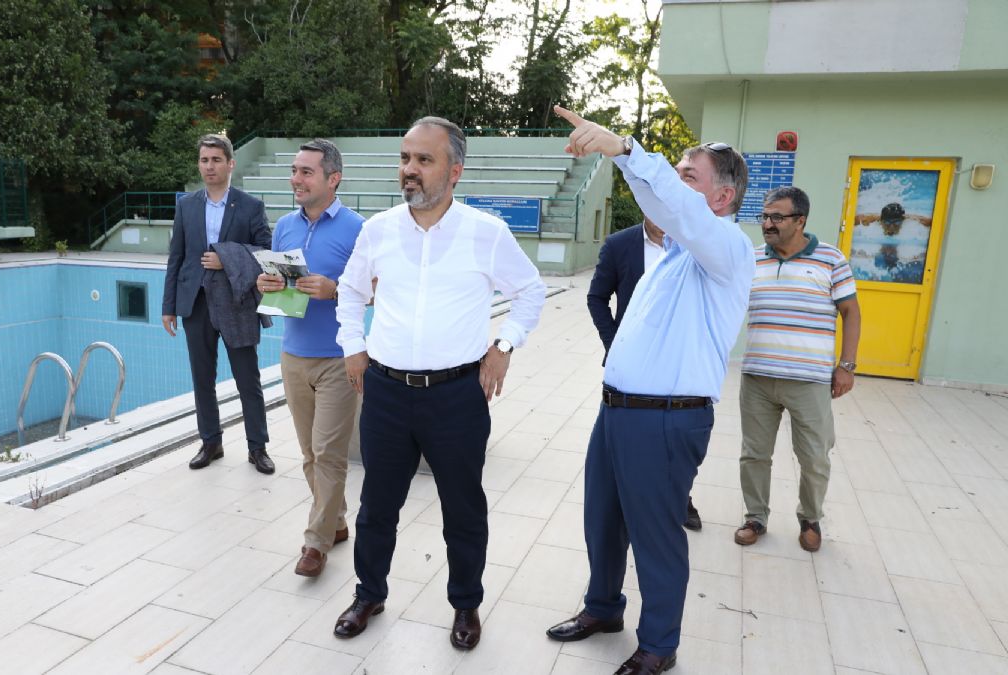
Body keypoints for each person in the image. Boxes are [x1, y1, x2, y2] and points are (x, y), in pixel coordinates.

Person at [545, 105, 754, 675]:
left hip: (664, 419)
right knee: (603, 519)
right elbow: (664, 203)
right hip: (618, 411)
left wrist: (626, 149)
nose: (675, 185)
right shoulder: (673, 255)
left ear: (722, 197)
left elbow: (675, 206)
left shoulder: (727, 249)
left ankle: (659, 645)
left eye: (690, 175)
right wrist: (624, 160)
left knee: (655, 535)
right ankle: (602, 608)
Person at [331, 117, 547, 651]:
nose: (410, 169)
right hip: (385, 392)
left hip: (456, 397)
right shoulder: (379, 229)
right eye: (406, 158)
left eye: (424, 160)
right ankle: (369, 594)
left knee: (463, 509)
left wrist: (504, 346)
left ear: (455, 171)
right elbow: (351, 291)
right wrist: (353, 345)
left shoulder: (486, 233)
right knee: (377, 506)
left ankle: (466, 604)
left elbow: (531, 290)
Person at [256, 139, 364, 577]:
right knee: (308, 454)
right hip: (294, 355)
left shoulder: (358, 229)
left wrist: (335, 289)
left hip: (339, 359)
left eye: (306, 172)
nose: (295, 179)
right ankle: (335, 523)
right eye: (294, 171)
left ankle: (315, 544)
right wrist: (266, 285)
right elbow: (281, 285)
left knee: (328, 454)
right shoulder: (284, 226)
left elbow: (377, 289)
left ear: (333, 179)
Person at [734, 186, 861, 553]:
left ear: (800, 220)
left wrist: (847, 366)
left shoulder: (830, 259)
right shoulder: (752, 258)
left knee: (814, 457)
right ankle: (755, 517)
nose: (767, 224)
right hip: (758, 378)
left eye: (777, 217)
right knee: (754, 453)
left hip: (809, 381)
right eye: (764, 216)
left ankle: (810, 519)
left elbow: (851, 312)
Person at [162, 134, 275, 475]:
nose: (209, 166)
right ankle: (211, 442)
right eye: (204, 160)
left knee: (247, 379)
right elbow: (176, 257)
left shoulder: (250, 206)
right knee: (202, 378)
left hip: (236, 302)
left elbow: (265, 252)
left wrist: (227, 258)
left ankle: (258, 447)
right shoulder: (187, 205)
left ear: (230, 164)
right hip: (195, 301)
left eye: (215, 160)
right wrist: (169, 306)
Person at [587, 216, 703, 531]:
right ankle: (627, 500)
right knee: (626, 436)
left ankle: (681, 497)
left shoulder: (692, 246)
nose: (664, 218)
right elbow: (596, 298)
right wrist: (614, 344)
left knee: (675, 436)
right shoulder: (619, 245)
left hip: (678, 363)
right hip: (631, 367)